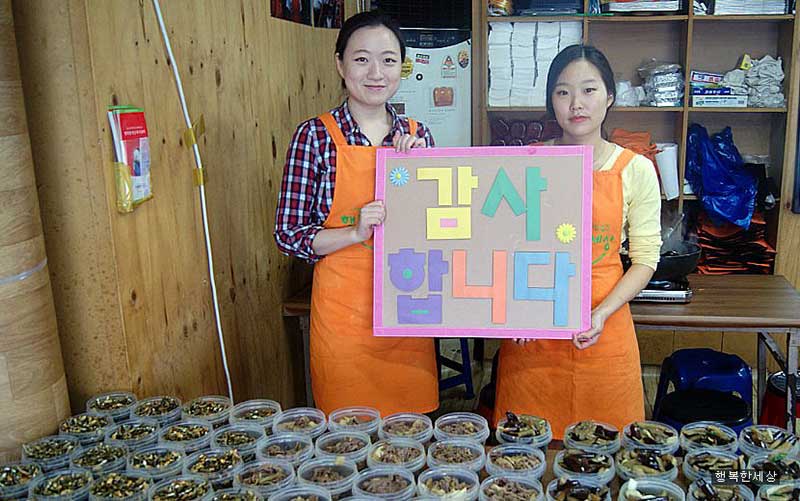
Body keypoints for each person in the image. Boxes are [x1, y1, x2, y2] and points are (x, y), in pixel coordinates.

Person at [274, 11, 439, 415]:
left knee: (411, 432)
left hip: (406, 313)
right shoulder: (314, 137)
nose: (376, 73)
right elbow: (288, 233)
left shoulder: (418, 136)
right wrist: (353, 232)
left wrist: (420, 175)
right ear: (340, 64)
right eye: (362, 59)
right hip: (343, 322)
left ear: (401, 66)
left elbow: (439, 230)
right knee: (347, 435)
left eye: (388, 60)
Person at [493, 45, 662, 437]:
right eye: (563, 92)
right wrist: (515, 310)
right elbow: (502, 246)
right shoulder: (526, 162)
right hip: (532, 330)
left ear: (610, 96)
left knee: (607, 449)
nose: (576, 104)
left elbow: (645, 259)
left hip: (604, 324)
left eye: (589, 90)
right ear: (551, 100)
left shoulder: (635, 170)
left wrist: (601, 313)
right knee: (525, 452)